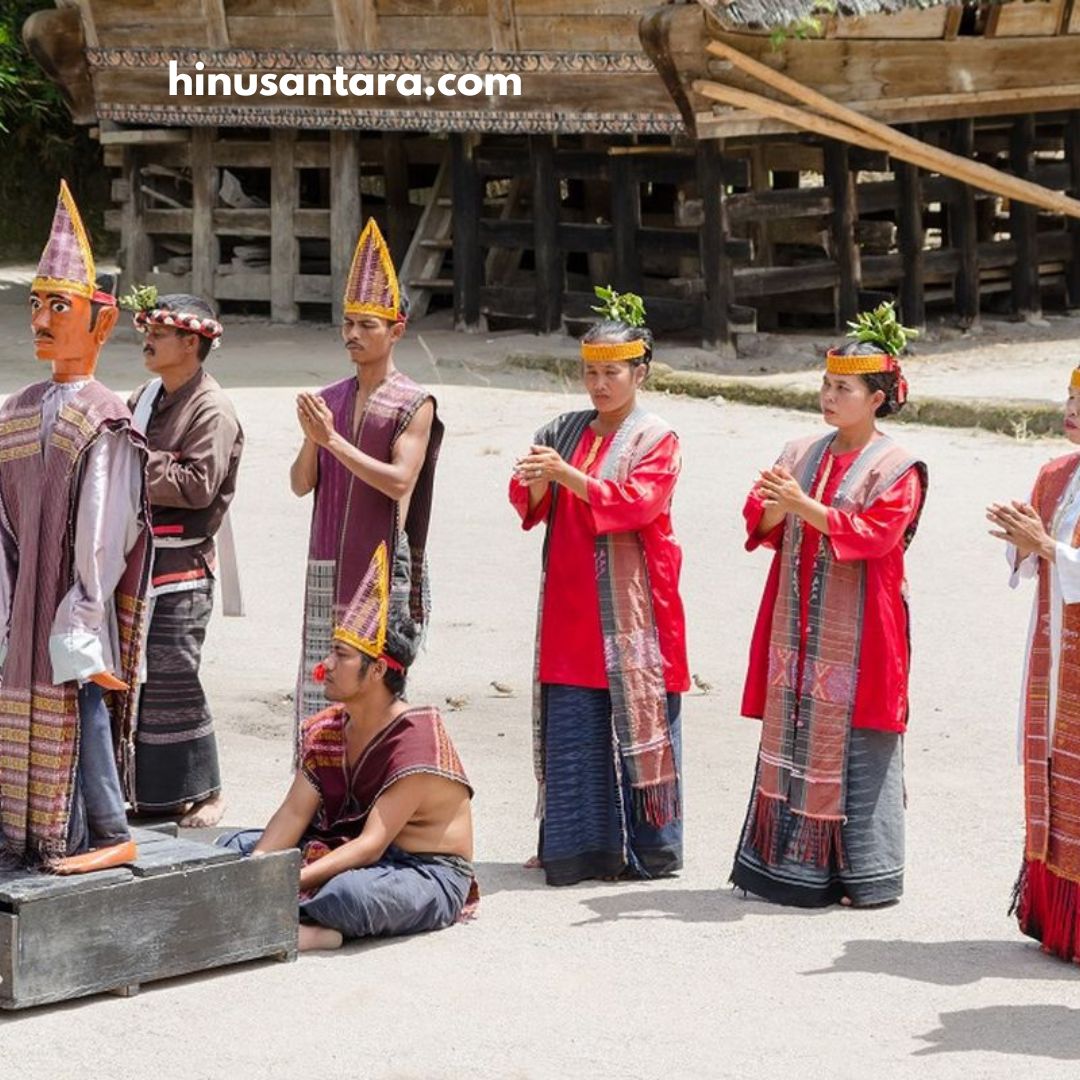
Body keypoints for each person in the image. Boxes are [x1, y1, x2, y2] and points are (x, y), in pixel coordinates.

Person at [731, 302, 928, 908]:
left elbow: (874, 537)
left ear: (878, 397)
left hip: (866, 627)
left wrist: (800, 504)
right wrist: (775, 503)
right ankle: (786, 867)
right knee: (792, 729)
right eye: (825, 384)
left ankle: (867, 875)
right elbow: (760, 523)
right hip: (797, 618)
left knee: (861, 741)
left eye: (843, 388)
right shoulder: (799, 451)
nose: (828, 397)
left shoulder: (899, 468)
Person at [509, 286, 688, 887]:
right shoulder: (562, 428)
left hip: (632, 600)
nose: (599, 385)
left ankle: (649, 851)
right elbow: (530, 503)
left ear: (641, 373)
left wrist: (567, 475)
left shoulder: (656, 437)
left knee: (638, 718)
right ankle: (574, 847)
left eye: (612, 372)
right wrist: (540, 479)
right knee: (573, 721)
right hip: (568, 598)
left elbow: (640, 504)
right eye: (590, 372)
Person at [0, 180, 151, 874]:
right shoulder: (16, 409)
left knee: (82, 695)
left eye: (58, 306)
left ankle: (109, 829)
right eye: (35, 304)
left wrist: (82, 609)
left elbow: (105, 525)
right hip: (20, 591)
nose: (41, 319)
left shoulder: (106, 417)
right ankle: (28, 835)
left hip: (69, 599)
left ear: (102, 321)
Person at [220, 541, 475, 951]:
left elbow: (372, 843)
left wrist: (284, 883)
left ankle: (317, 930)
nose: (328, 664)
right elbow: (294, 811)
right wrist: (258, 871)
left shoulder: (418, 736)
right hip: (351, 846)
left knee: (346, 895)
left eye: (341, 655)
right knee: (234, 849)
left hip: (422, 870)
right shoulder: (329, 728)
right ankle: (277, 910)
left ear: (376, 670)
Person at [290, 218, 442, 737]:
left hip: (379, 562)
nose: (353, 335)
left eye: (367, 325)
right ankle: (317, 795)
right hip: (326, 557)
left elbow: (401, 482)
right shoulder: (330, 396)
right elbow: (300, 483)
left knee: (372, 688)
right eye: (348, 323)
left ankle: (374, 794)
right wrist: (314, 436)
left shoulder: (412, 402)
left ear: (396, 331)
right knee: (321, 684)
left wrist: (333, 439)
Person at [124, 286, 244, 828]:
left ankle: (208, 790)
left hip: (183, 567)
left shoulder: (212, 407)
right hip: (137, 562)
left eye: (161, 332)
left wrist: (131, 465)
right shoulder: (144, 397)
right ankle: (153, 794)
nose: (148, 339)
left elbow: (198, 485)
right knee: (137, 679)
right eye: (148, 329)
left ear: (192, 343)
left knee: (176, 676)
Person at [988, 365, 1080, 963]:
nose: (1072, 407)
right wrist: (1024, 542)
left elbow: (1059, 554)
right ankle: (1053, 913)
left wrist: (1048, 546)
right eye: (1072, 397)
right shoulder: (1056, 473)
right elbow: (1031, 563)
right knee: (1051, 760)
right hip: (1055, 645)